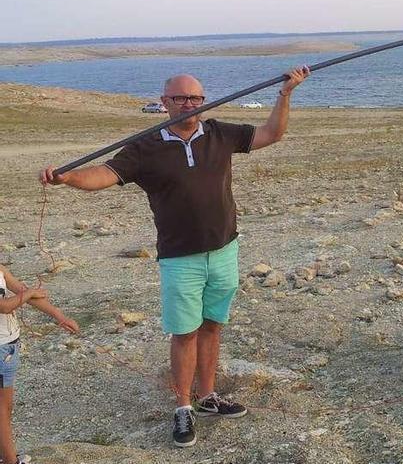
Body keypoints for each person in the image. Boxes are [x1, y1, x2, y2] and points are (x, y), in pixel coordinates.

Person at [40, 67, 309, 448]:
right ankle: (183, 406)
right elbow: (103, 175)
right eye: (181, 98)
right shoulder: (144, 148)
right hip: (180, 258)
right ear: (164, 103)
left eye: (196, 98)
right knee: (184, 333)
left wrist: (285, 95)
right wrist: (68, 178)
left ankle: (208, 396)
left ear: (204, 101)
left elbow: (272, 134)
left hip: (224, 249)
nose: (189, 104)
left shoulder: (219, 133)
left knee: (213, 325)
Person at [1, 265, 79, 464]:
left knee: (6, 407)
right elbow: (5, 306)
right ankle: (10, 460)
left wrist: (60, 316)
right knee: (1, 408)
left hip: (10, 346)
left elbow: (20, 290)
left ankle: (5, 454)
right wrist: (30, 293)